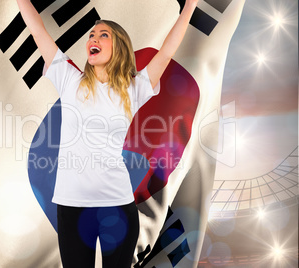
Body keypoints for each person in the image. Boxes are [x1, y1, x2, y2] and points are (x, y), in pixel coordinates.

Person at [17, 0, 198, 267]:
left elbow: (168, 50)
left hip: (118, 207)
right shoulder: (68, 78)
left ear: (119, 48)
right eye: (92, 34)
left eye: (104, 35)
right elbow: (37, 30)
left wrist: (190, 6)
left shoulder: (134, 88)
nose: (94, 37)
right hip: (71, 208)